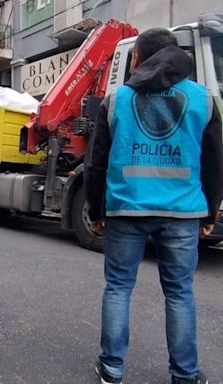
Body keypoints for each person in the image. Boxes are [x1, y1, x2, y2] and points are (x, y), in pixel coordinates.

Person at [85, 28, 223, 384]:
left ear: (137, 58)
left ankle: (112, 368)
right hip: (183, 212)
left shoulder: (116, 99)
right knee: (179, 292)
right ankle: (185, 375)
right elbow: (214, 162)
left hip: (126, 209)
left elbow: (96, 161)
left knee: (118, 288)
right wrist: (209, 212)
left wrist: (95, 210)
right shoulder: (202, 99)